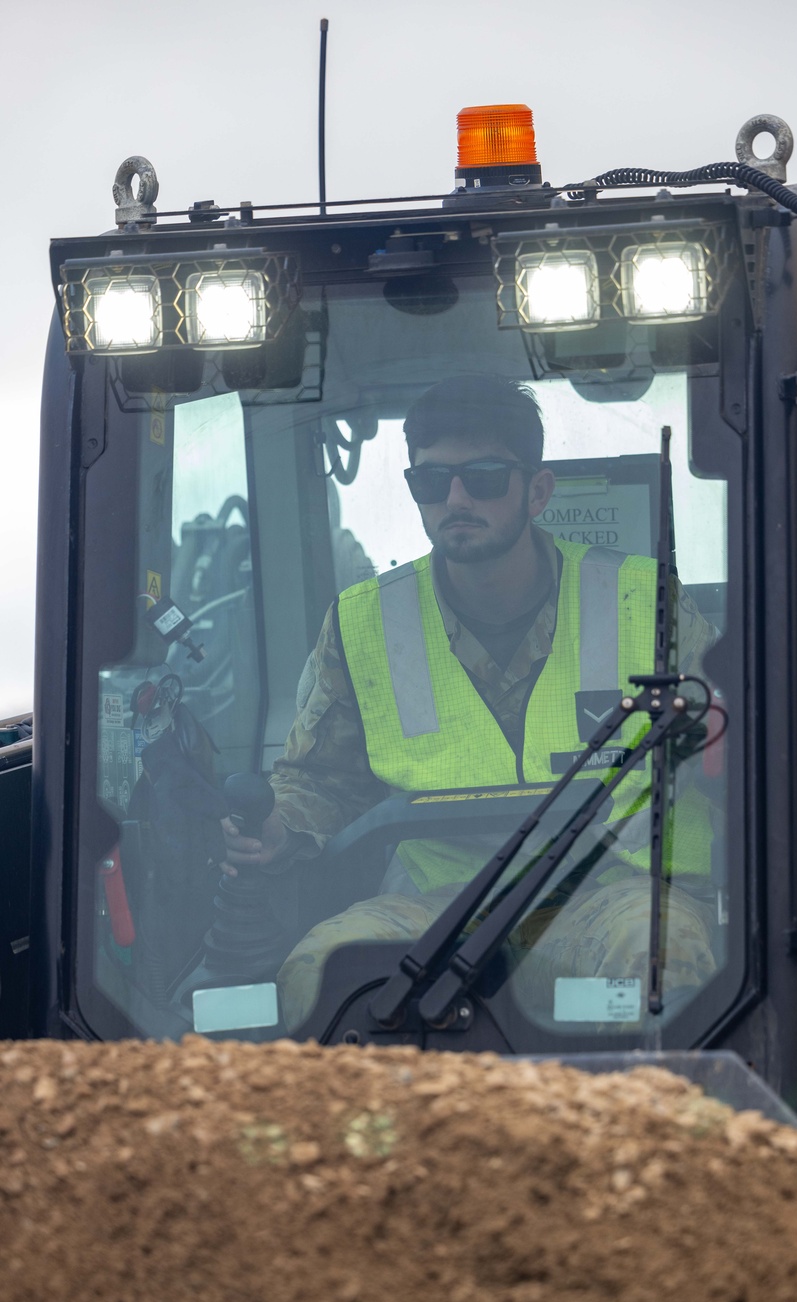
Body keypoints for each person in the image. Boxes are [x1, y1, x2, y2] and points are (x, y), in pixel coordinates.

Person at [222, 376, 719, 1029]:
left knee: (660, 957)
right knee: (321, 970)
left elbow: (726, 754)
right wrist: (279, 827)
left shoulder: (643, 603)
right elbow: (319, 779)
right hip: (435, 906)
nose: (456, 499)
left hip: (608, 891)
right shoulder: (364, 623)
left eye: (483, 478)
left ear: (537, 491)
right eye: (432, 482)